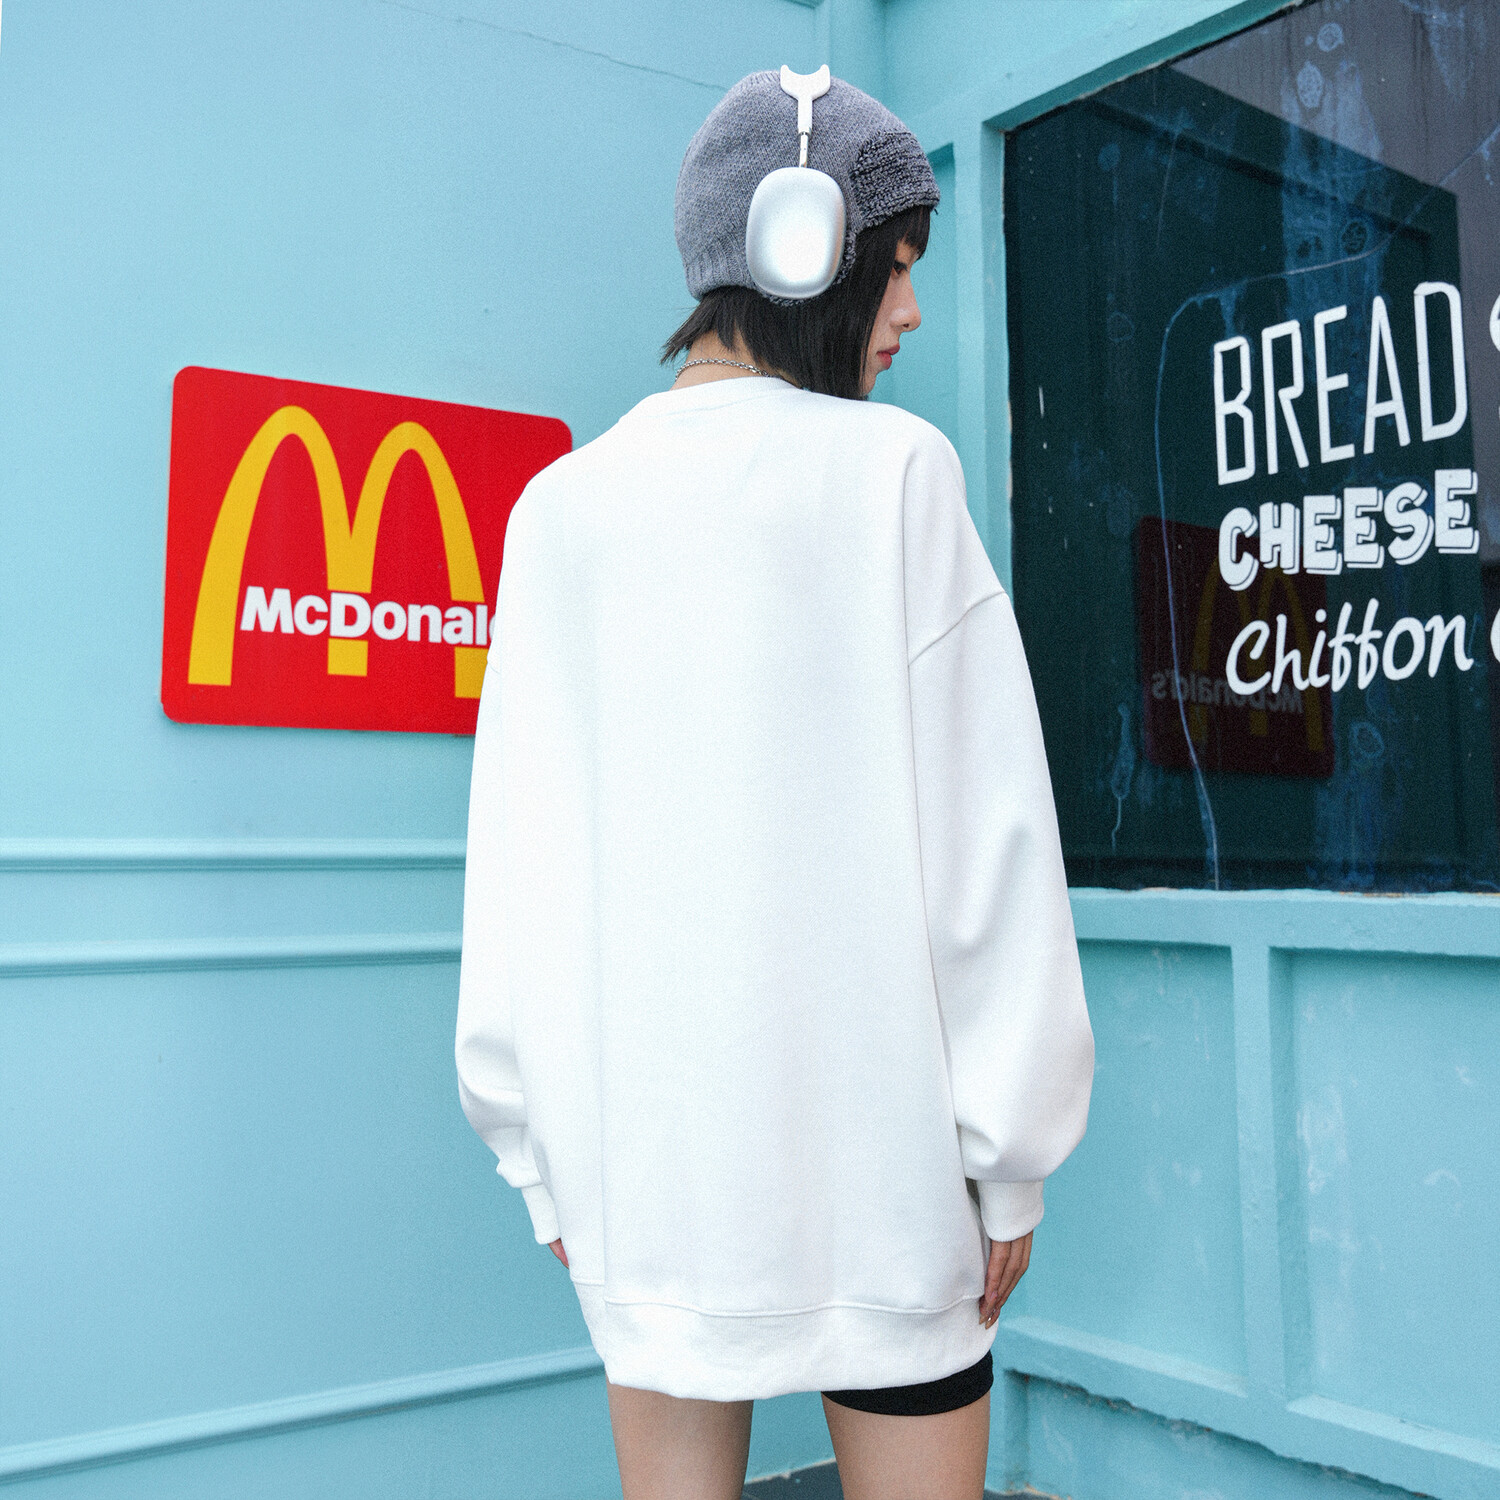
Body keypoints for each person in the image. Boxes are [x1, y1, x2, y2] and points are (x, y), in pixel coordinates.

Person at [455, 68, 1094, 1500]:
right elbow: (987, 853)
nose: (908, 312)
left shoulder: (558, 509)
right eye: (895, 266)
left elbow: (519, 865)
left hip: (649, 1195)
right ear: (804, 247)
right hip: (887, 1187)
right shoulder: (898, 476)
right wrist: (1012, 1157)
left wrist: (538, 1158)